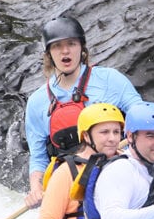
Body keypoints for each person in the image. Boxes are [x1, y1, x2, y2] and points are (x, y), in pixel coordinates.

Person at [23, 16, 142, 208]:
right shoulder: (37, 102)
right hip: (71, 185)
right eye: (57, 46)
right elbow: (38, 158)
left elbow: (140, 118)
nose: (65, 51)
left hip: (117, 175)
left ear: (82, 48)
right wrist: (36, 189)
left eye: (71, 43)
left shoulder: (110, 80)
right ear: (49, 54)